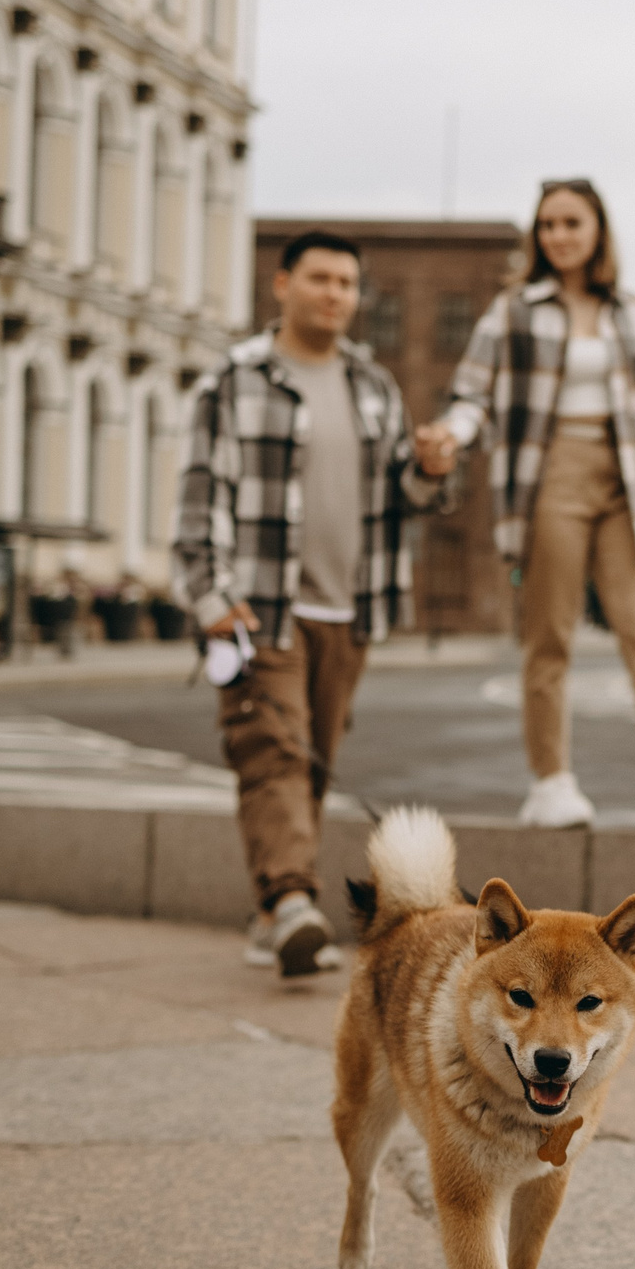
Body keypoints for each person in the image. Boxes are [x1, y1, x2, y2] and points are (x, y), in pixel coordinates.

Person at [172, 230, 457, 977]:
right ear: (282, 283)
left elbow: (408, 497)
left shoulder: (373, 386)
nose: (335, 294)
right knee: (273, 750)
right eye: (320, 278)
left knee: (313, 761)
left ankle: (270, 909)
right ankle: (293, 900)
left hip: (349, 610)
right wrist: (210, 598)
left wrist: (429, 468)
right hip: (261, 606)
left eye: (346, 283)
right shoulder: (235, 380)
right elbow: (201, 495)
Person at [436, 178, 635, 829]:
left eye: (571, 223)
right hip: (552, 474)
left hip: (628, 478)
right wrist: (454, 436)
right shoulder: (515, 309)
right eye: (547, 225)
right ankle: (550, 782)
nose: (559, 236)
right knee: (551, 634)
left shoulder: (629, 312)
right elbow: (472, 394)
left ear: (598, 230)